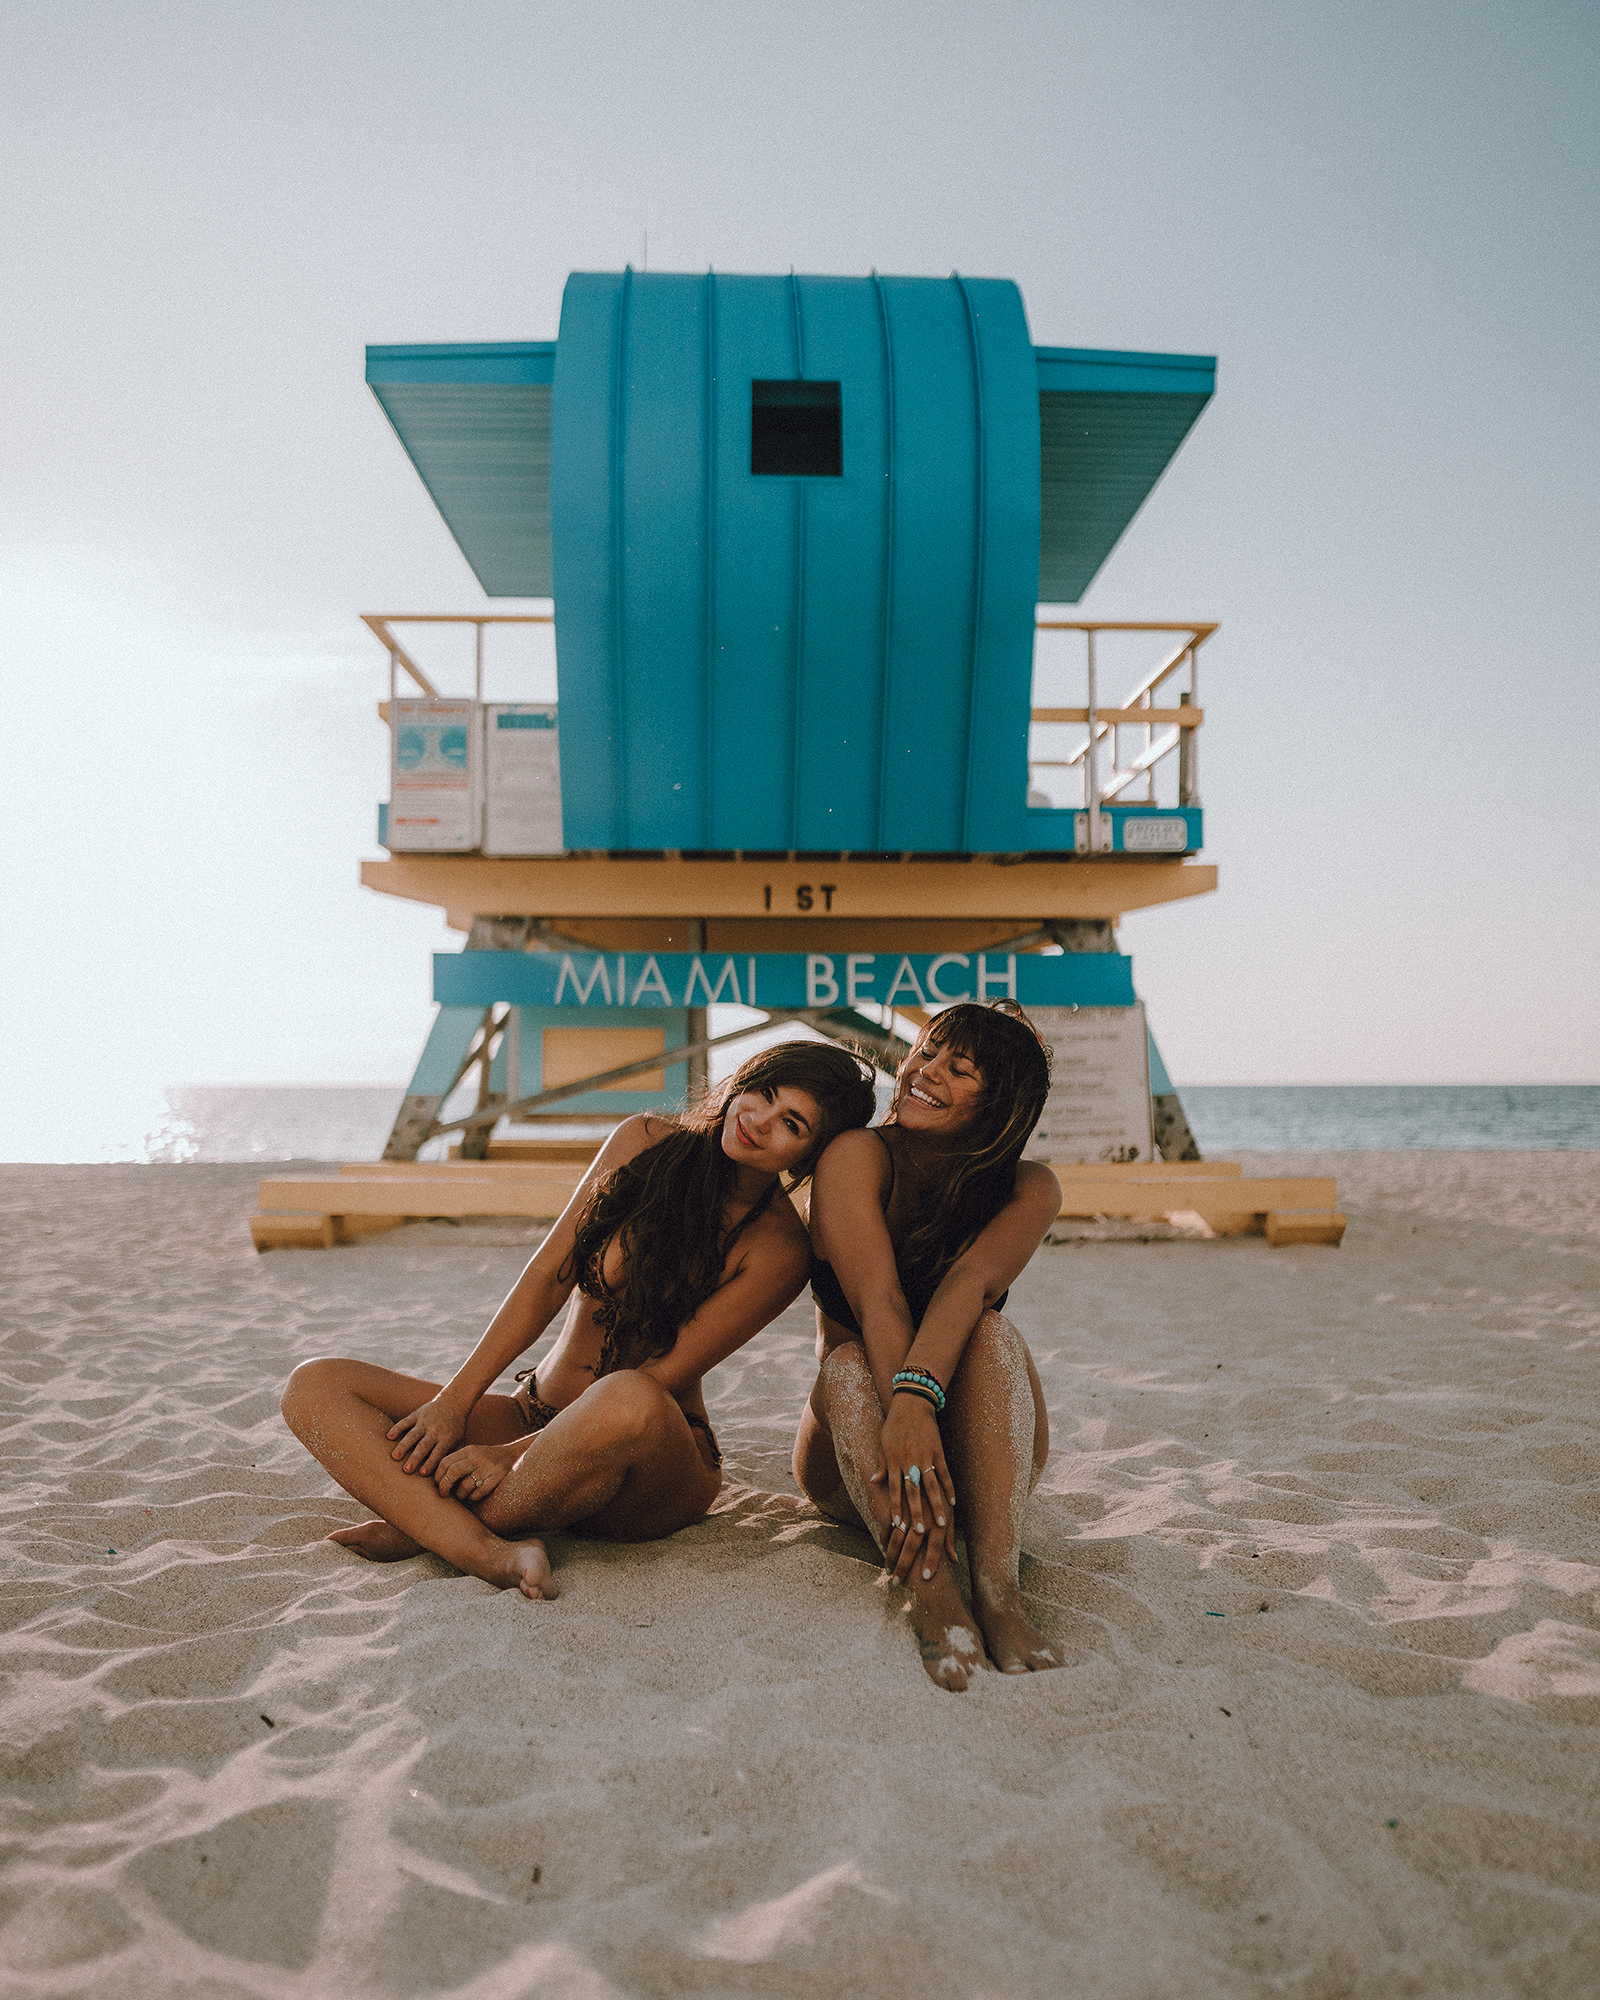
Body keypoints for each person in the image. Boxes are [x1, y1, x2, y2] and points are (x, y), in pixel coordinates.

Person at [282, 1041, 876, 1600]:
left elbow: (664, 1375)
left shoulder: (777, 1248)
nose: (760, 1118)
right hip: (535, 1406)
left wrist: (512, 1454)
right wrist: (455, 1403)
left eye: (792, 1124)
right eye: (766, 1092)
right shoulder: (642, 1141)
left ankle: (441, 1537)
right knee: (316, 1384)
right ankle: (476, 1543)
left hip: (648, 1459)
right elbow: (546, 1278)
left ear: (809, 1155)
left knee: (627, 1393)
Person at [793, 1000, 1061, 1691]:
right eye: (928, 1051)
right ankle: (933, 1592)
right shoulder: (856, 1155)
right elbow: (877, 1299)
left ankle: (999, 1597)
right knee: (848, 1366)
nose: (926, 1070)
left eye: (959, 1068)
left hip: (980, 1471)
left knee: (992, 1332)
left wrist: (920, 1402)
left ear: (999, 1106)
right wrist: (905, 1415)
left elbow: (969, 1284)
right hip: (858, 1460)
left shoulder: (1029, 1187)